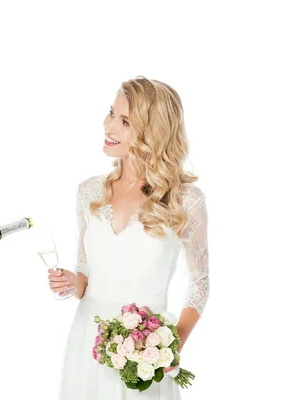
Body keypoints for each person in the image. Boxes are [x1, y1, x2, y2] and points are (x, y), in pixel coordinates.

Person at [49, 76, 209, 399]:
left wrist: (170, 345)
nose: (109, 125)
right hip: (87, 348)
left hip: (143, 361)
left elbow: (200, 283)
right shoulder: (89, 192)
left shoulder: (185, 200)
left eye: (124, 121)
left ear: (153, 133)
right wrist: (71, 282)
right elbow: (86, 274)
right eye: (111, 113)